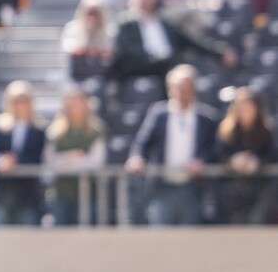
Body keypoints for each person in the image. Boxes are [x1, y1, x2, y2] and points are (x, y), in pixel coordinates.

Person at [126, 64, 220, 226]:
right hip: (164, 185)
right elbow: (143, 141)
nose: (182, 93)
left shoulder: (207, 118)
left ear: (194, 89)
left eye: (186, 88)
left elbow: (214, 148)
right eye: (178, 88)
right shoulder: (159, 114)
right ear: (170, 90)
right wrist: (137, 158)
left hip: (192, 187)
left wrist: (201, 161)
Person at [112, 0, 235, 81]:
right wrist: (158, 59)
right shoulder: (126, 24)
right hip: (140, 70)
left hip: (168, 68)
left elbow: (192, 41)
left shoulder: (165, 22)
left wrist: (220, 51)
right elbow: (128, 54)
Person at [0, 81, 46, 227]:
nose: (19, 105)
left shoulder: (39, 129)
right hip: (3, 192)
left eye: (23, 101)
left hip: (28, 194)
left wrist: (16, 162)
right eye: (15, 101)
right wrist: (0, 161)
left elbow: (39, 158)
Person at [46, 85, 107, 226]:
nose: (74, 106)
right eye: (70, 102)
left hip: (89, 194)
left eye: (78, 102)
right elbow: (50, 163)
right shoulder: (55, 132)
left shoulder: (96, 130)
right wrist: (74, 156)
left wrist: (65, 161)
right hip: (61, 194)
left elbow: (96, 162)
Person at [216, 88, 278, 225]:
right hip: (231, 193)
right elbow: (218, 155)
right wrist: (233, 161)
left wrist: (256, 161)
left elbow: (272, 156)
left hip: (259, 190)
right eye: (241, 108)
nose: (244, 111)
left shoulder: (267, 130)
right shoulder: (226, 131)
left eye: (248, 108)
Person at [61, 0, 115, 82]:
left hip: (100, 76)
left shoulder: (109, 32)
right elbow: (68, 49)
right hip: (77, 75)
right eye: (89, 13)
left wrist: (97, 51)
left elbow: (110, 53)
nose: (92, 18)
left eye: (95, 14)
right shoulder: (72, 30)